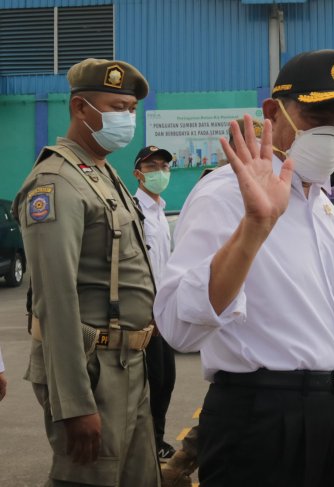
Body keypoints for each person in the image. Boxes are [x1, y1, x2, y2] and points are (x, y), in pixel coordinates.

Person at [154, 50, 334, 487]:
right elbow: (178, 329)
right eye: (319, 115)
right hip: (259, 421)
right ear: (274, 112)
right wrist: (255, 228)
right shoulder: (224, 195)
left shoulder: (326, 212)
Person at [12, 58, 159, 486]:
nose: (127, 118)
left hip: (130, 361)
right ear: (81, 109)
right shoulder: (56, 182)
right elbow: (55, 301)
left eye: (132, 109)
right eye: (117, 107)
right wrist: (75, 404)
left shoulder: (101, 171)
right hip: (95, 372)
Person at [133, 145, 178, 461]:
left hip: (163, 311)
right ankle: (145, 443)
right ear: (138, 173)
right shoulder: (134, 210)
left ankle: (154, 439)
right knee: (149, 381)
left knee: (166, 379)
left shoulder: (160, 212)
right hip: (144, 313)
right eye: (152, 167)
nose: (160, 172)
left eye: (164, 166)